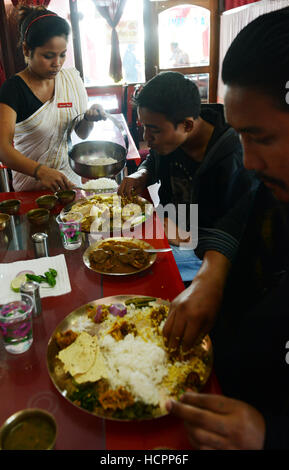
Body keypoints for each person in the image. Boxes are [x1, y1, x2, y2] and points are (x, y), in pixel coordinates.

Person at [164, 7, 289, 450]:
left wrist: (269, 436)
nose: (249, 161)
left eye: (262, 137)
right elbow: (248, 204)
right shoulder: (274, 182)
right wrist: (211, 277)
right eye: (239, 136)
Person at [118, 71, 255, 283]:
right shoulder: (173, 138)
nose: (146, 138)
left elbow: (237, 234)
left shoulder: (235, 160)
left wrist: (186, 235)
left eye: (153, 130)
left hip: (207, 259)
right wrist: (142, 174)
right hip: (170, 231)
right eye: (143, 127)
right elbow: (153, 159)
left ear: (187, 125)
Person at [0, 6, 106, 192]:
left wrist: (89, 119)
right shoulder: (13, 89)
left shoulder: (71, 80)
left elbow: (82, 134)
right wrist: (41, 171)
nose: (57, 63)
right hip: (31, 188)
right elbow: (3, 149)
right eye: (48, 56)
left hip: (69, 182)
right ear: (26, 49)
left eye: (62, 54)